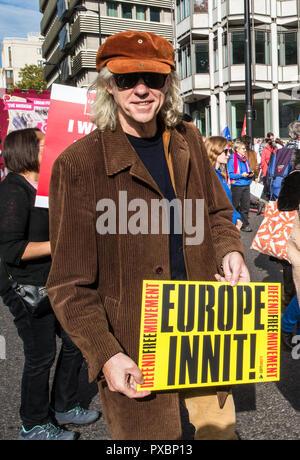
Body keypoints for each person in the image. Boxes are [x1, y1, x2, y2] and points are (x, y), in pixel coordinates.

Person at [46, 30, 250, 441]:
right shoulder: (78, 165)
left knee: (216, 435)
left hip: (202, 329)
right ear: (108, 85)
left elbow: (217, 212)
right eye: (127, 79)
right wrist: (106, 354)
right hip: (133, 346)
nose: (141, 90)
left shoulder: (189, 139)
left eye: (153, 79)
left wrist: (230, 251)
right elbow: (68, 284)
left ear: (167, 85)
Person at [0, 128, 99, 441]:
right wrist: (59, 244)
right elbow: (12, 249)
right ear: (27, 151)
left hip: (52, 283)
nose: (52, 146)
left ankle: (64, 404)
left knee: (74, 342)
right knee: (40, 356)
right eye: (44, 143)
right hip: (26, 289)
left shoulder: (41, 184)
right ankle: (33, 424)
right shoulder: (13, 190)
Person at [205, 136, 243, 229]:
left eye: (229, 151)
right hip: (219, 229)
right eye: (226, 151)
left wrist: (237, 217)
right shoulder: (207, 176)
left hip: (228, 225)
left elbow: (228, 203)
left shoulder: (219, 175)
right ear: (215, 152)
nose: (228, 155)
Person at [228, 139, 254, 232]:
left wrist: (250, 174)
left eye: (245, 148)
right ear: (237, 149)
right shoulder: (232, 159)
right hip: (237, 185)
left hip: (246, 184)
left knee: (245, 207)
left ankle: (245, 224)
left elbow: (249, 169)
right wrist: (241, 175)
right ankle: (232, 224)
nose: (245, 150)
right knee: (234, 206)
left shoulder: (245, 159)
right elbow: (230, 174)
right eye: (243, 149)